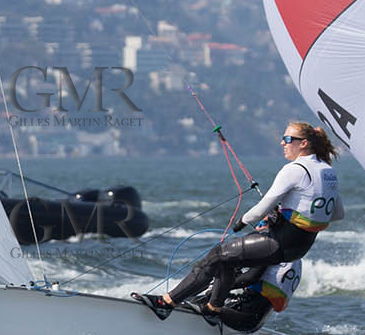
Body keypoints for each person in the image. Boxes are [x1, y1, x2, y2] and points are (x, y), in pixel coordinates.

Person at [135, 121, 342, 319]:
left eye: (287, 138)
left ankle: (166, 303)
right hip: (300, 247)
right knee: (229, 260)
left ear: (303, 143)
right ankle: (212, 310)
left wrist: (242, 221)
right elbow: (336, 213)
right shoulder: (327, 171)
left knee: (217, 255)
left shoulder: (294, 169)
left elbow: (260, 210)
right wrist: (292, 212)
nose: (282, 143)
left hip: (279, 242)